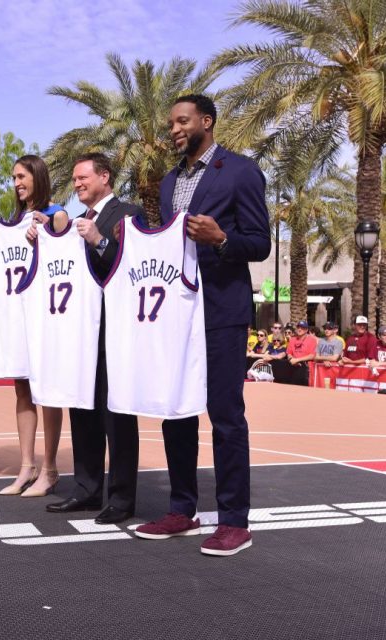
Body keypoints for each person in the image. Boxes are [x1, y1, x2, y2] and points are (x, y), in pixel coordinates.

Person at [135, 95, 270, 556]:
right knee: (177, 411)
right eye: (170, 122)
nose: (174, 129)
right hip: (178, 312)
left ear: (206, 122)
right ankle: (182, 510)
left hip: (222, 311)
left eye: (182, 121)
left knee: (226, 416)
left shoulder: (241, 171)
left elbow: (260, 243)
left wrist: (222, 239)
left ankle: (234, 521)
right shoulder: (170, 181)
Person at [39, 153, 142, 524]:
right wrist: (42, 238)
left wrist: (98, 240)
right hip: (79, 334)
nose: (77, 183)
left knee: (117, 418)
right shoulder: (74, 223)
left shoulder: (129, 215)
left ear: (105, 176)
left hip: (114, 334)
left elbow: (132, 267)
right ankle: (86, 489)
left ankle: (122, 498)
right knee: (82, 412)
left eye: (83, 177)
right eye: (74, 179)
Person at [0, 155, 65, 497]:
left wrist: (49, 227)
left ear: (37, 177)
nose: (16, 183)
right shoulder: (9, 225)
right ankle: (27, 465)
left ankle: (50, 468)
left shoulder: (55, 213)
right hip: (15, 319)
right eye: (13, 177)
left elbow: (63, 233)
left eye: (22, 176)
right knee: (23, 391)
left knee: (49, 392)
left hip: (45, 318)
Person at [283, 320, 317, 385]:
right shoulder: (292, 339)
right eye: (298, 327)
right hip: (293, 367)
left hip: (306, 369)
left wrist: (297, 360)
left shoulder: (312, 340)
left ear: (306, 330)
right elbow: (289, 353)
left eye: (302, 328)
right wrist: (291, 359)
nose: (300, 329)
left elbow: (312, 356)